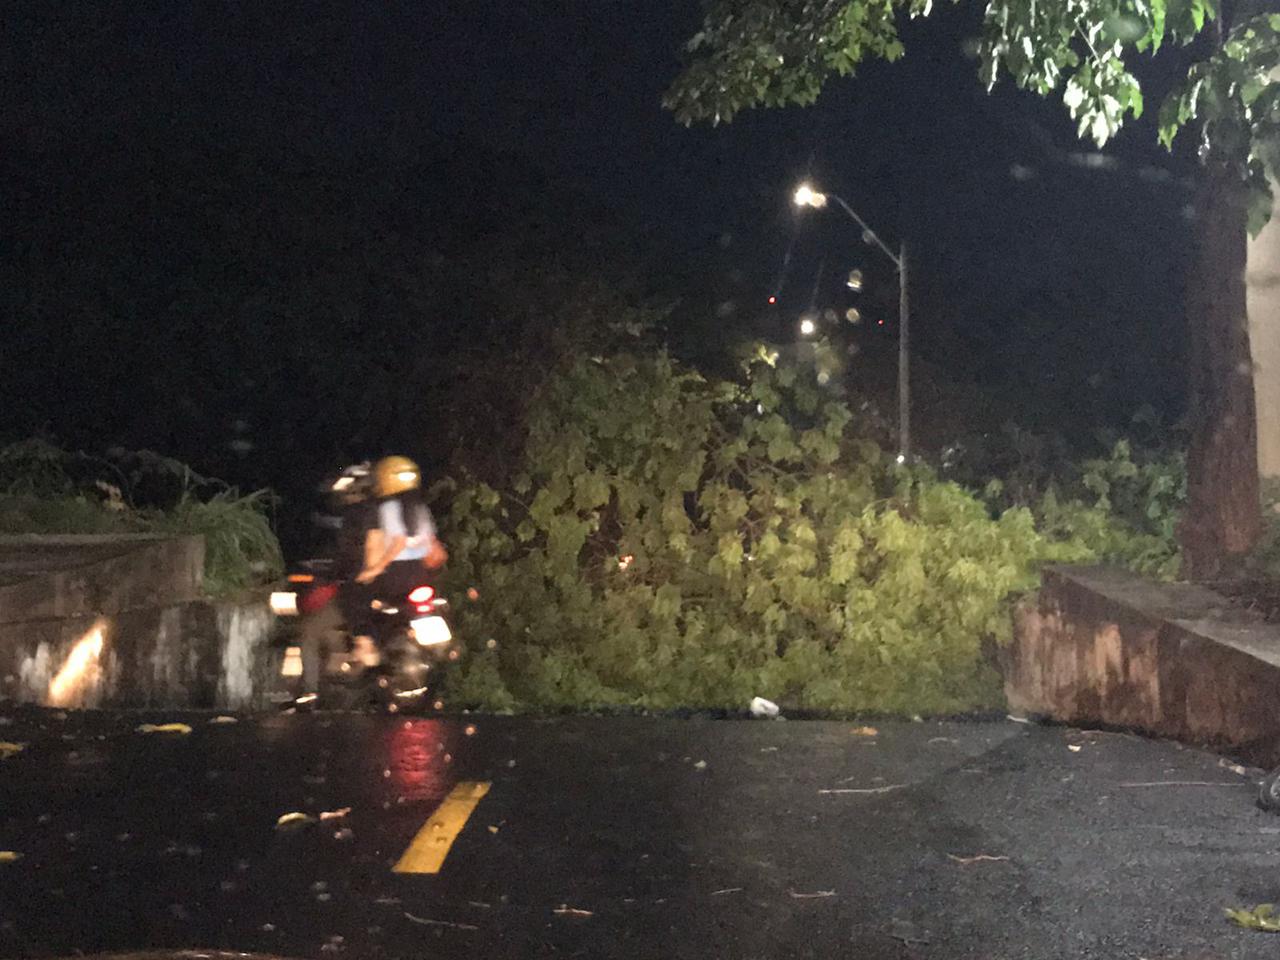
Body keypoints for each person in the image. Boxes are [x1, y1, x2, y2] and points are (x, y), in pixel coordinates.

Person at [351, 456, 447, 664]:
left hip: (397, 576)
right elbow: (433, 546)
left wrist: (376, 568)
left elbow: (399, 542)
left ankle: (367, 646)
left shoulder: (388, 508)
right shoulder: (420, 508)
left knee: (358, 597)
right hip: (420, 574)